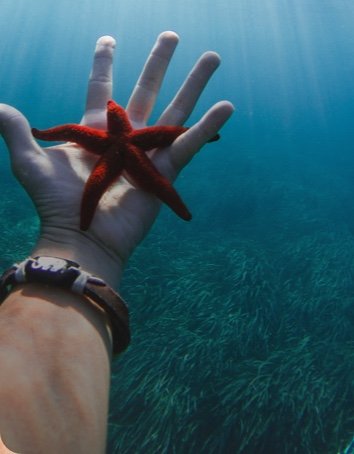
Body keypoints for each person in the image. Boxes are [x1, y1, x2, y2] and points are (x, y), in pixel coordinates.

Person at [0, 32, 234, 453]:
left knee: (158, 173)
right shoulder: (117, 144)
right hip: (93, 253)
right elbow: (78, 134)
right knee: (156, 179)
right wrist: (84, 243)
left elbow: (80, 133)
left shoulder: (119, 143)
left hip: (84, 241)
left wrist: (74, 237)